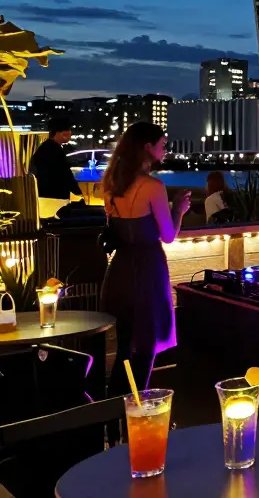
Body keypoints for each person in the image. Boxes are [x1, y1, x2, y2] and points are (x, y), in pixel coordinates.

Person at [100, 122, 190, 394]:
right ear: (147, 147)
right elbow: (168, 235)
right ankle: (137, 408)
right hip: (148, 270)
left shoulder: (111, 185)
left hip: (119, 270)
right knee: (146, 347)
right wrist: (179, 210)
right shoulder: (153, 186)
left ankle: (114, 408)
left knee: (125, 347)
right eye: (162, 144)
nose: (165, 149)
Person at [30, 116, 82, 219]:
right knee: (56, 220)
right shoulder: (54, 150)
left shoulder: (44, 148)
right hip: (55, 196)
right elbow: (64, 173)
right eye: (65, 134)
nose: (68, 137)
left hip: (44, 194)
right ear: (56, 133)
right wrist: (77, 191)